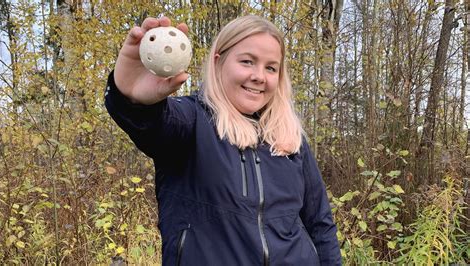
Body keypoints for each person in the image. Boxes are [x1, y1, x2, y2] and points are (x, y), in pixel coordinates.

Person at [105, 15, 341, 266]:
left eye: (271, 67)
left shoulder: (291, 138)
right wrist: (131, 98)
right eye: (247, 61)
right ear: (219, 62)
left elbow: (320, 225)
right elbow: (151, 123)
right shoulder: (191, 122)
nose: (259, 76)